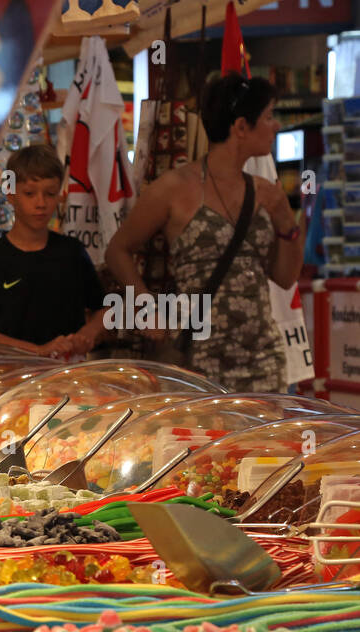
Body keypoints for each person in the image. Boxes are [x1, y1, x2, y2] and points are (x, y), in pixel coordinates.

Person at [105, 73, 304, 393]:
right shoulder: (173, 189)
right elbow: (117, 250)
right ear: (241, 127)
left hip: (262, 362)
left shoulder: (266, 193)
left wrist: (289, 225)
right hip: (197, 362)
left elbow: (284, 276)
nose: (276, 126)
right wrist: (146, 307)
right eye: (268, 117)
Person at [0, 144, 107, 358]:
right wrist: (37, 351)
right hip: (8, 376)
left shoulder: (72, 253)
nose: (40, 203)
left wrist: (87, 334)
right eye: (29, 194)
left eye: (50, 194)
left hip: (66, 375)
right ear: (10, 194)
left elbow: (104, 308)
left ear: (60, 195)